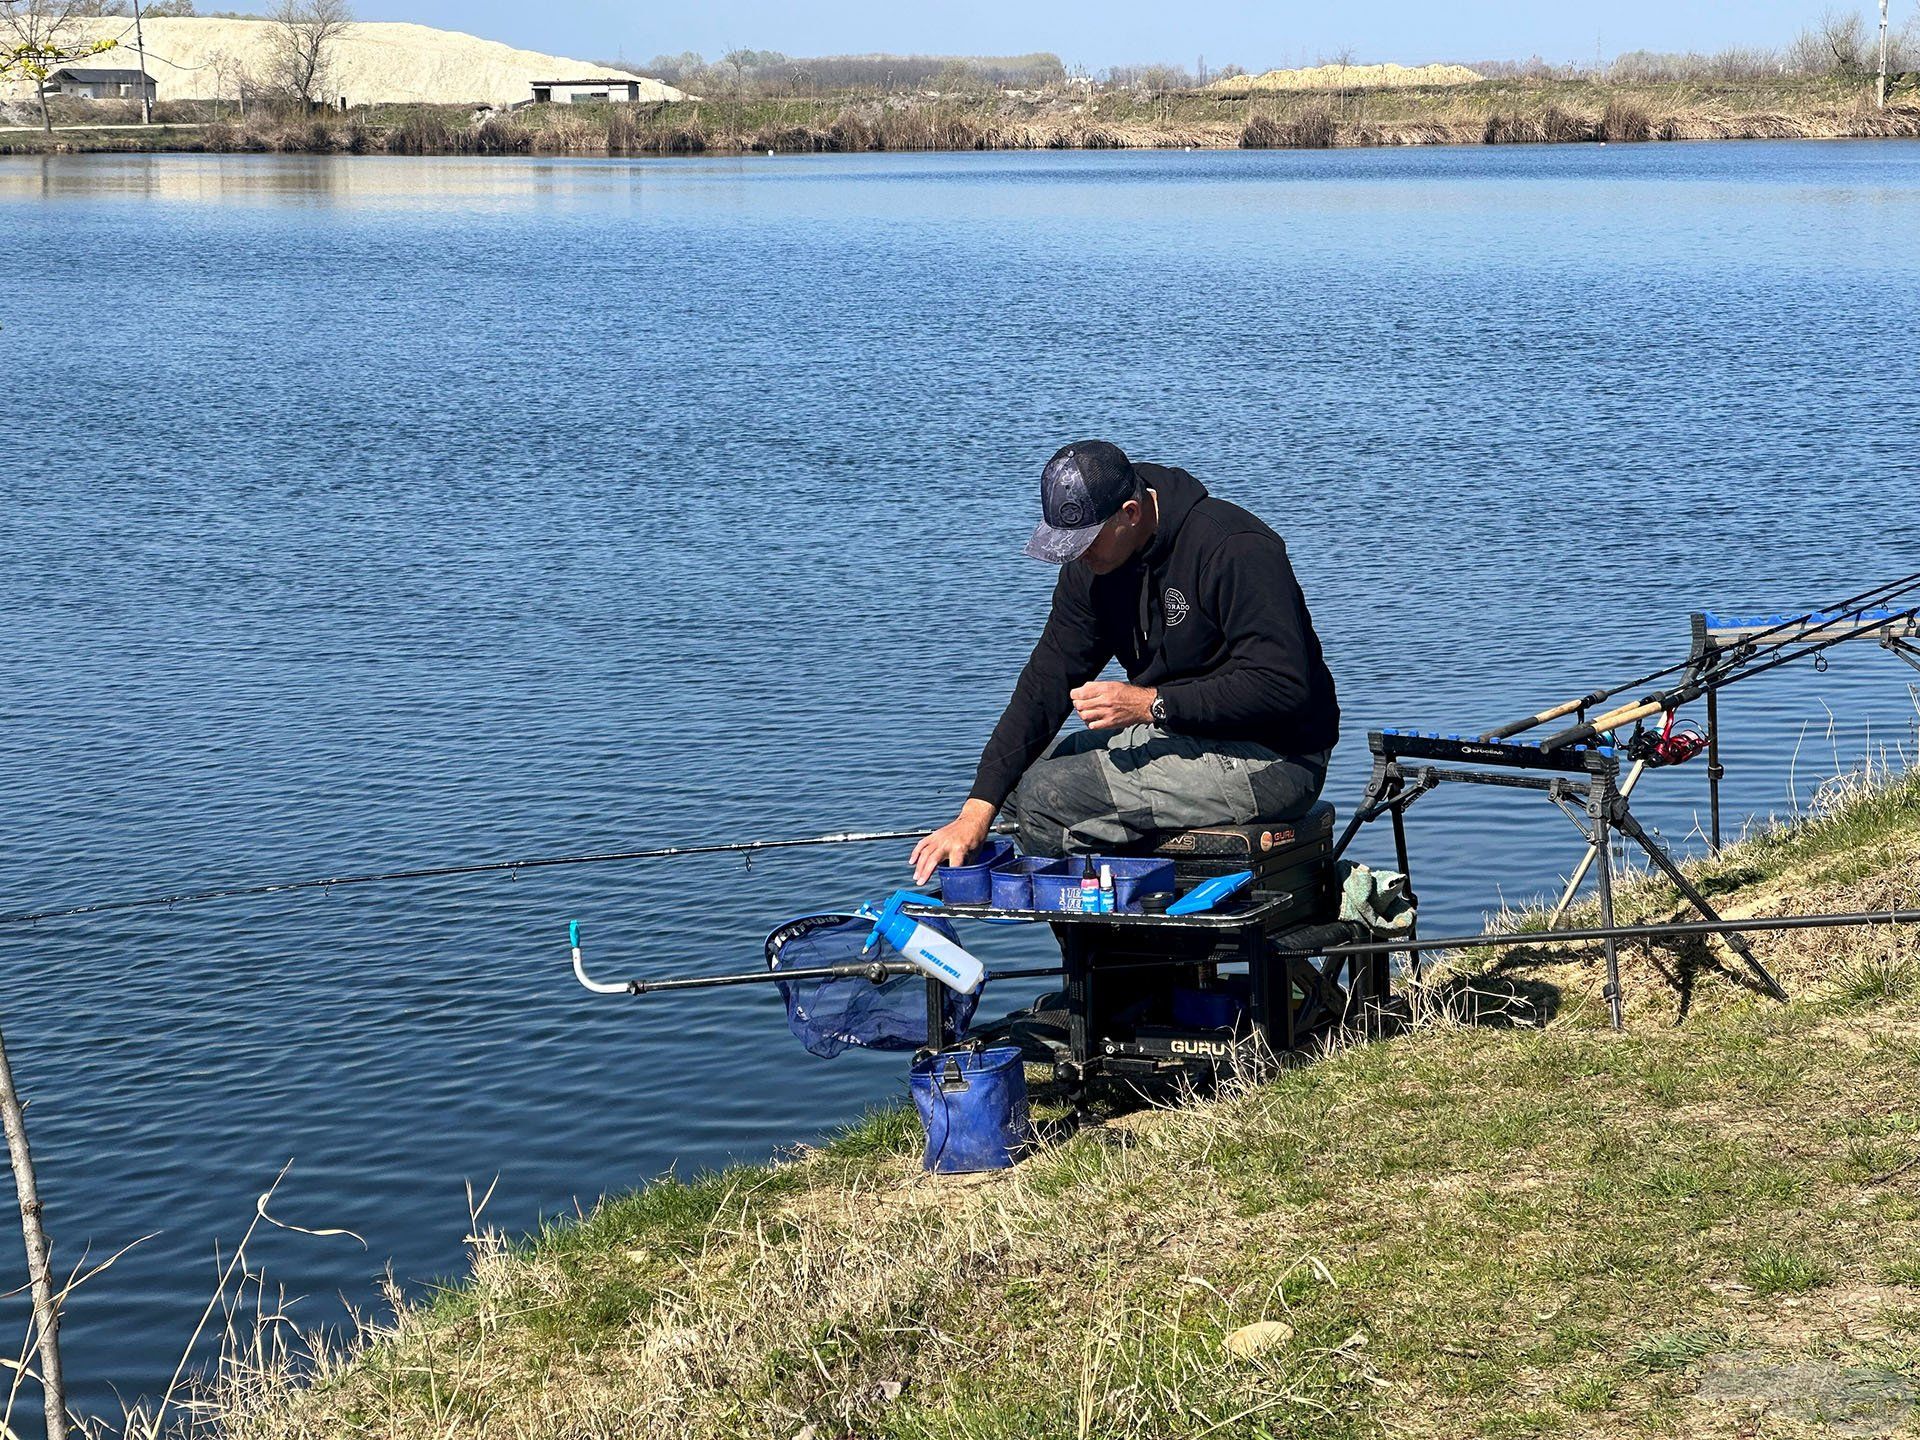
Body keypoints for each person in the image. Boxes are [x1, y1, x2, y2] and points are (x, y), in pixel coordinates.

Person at [911, 440, 1339, 883]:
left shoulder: (1233, 547)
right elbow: (1045, 683)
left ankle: (1136, 940)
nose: (1077, 555)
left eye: (1086, 542)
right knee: (1019, 786)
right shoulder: (1093, 568)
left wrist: (1151, 703)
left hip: (1277, 757)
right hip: (1184, 734)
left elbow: (1282, 685)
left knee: (1048, 797)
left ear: (1131, 513)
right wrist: (976, 809)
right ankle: (1119, 937)